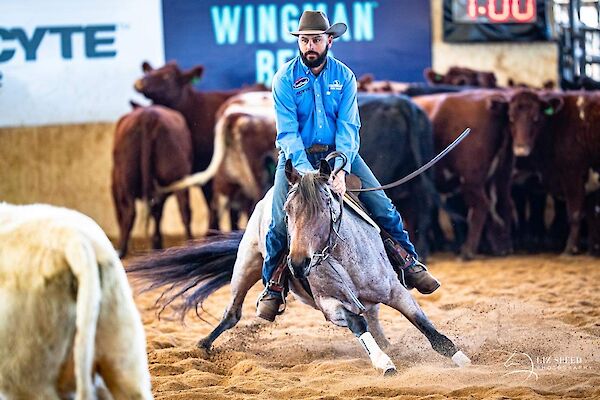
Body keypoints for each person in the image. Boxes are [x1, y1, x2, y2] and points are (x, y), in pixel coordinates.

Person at [257, 10, 440, 321]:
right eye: (304, 40)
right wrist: (308, 175)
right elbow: (287, 133)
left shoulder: (344, 77)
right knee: (277, 220)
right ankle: (273, 286)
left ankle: (409, 263)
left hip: (340, 154)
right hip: (296, 160)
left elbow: (349, 128)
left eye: (315, 39)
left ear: (329, 40)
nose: (309, 46)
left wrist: (340, 168)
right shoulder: (284, 79)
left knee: (382, 205)